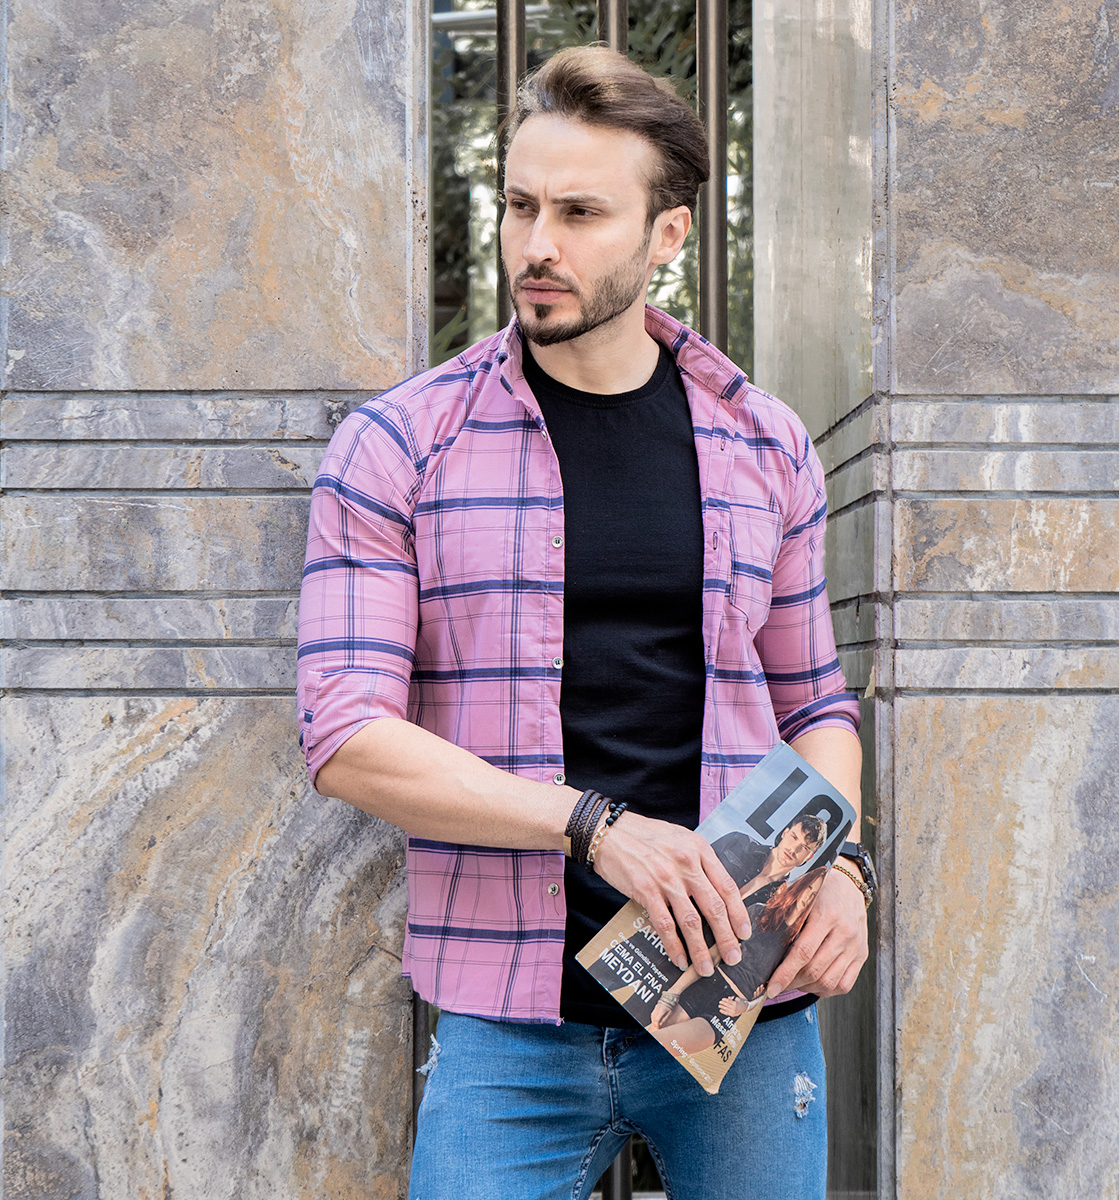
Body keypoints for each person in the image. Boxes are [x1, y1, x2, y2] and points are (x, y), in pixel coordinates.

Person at [297, 45, 873, 1200]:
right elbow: (345, 732)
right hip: (513, 1027)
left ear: (668, 234)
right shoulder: (401, 445)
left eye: (580, 212)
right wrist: (596, 828)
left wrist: (845, 862)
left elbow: (814, 705)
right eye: (520, 206)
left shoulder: (766, 444)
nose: (537, 244)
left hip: (743, 1002)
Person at [649, 868, 827, 1058]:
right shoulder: (760, 912)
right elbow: (715, 954)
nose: (809, 897)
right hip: (707, 984)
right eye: (808, 888)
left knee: (660, 1049)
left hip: (730, 1008)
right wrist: (671, 995)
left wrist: (746, 1006)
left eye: (814, 894)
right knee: (653, 1034)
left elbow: (772, 988)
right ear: (798, 887)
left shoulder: (799, 942)